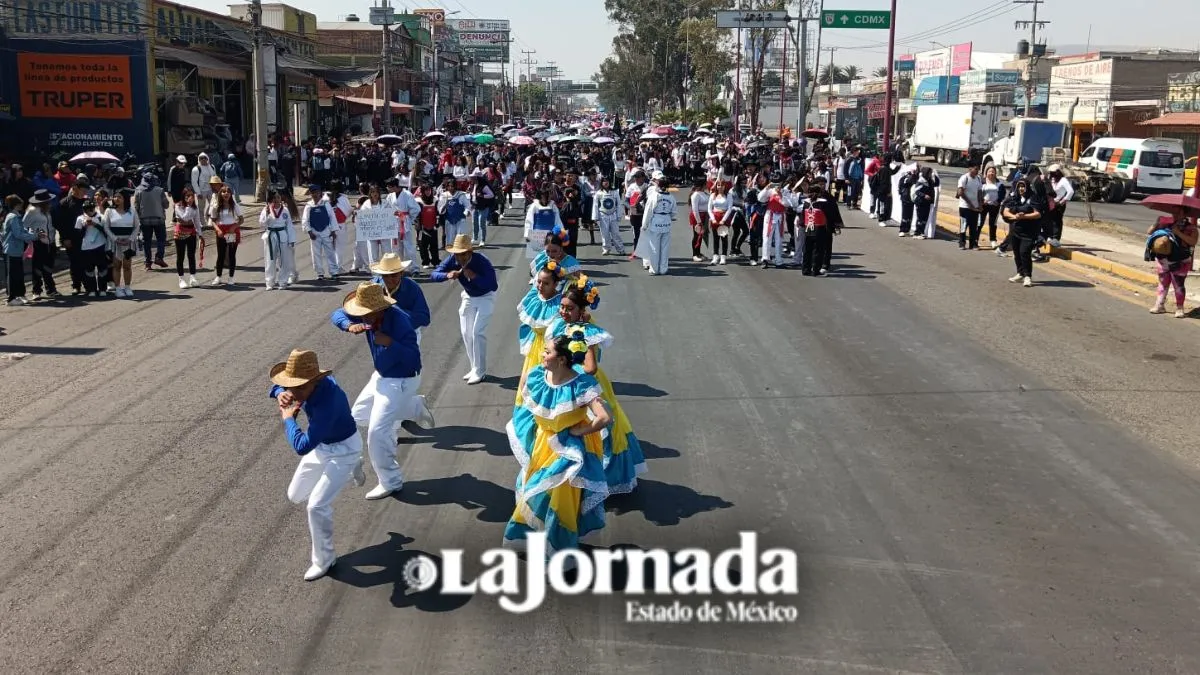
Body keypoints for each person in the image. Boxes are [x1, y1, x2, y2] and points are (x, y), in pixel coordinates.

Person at [504, 331, 612, 558]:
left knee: (560, 503)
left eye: (547, 351)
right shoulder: (538, 376)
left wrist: (581, 430)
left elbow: (604, 418)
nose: (543, 354)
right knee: (538, 494)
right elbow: (527, 397)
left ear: (562, 359)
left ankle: (559, 554)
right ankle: (531, 540)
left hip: (569, 455)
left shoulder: (581, 385)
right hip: (542, 447)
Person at [269, 349, 366, 581]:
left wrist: (288, 418)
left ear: (315, 380)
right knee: (295, 495)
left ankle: (325, 559)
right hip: (323, 447)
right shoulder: (310, 385)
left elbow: (302, 446)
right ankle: (354, 466)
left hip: (344, 449)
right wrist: (278, 392)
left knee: (316, 506)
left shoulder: (327, 404)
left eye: (300, 387)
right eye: (292, 386)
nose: (295, 393)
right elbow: (278, 387)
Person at [331, 283, 434, 500]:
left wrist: (390, 344)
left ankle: (391, 481)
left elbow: (414, 359)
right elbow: (337, 314)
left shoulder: (400, 322)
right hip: (382, 375)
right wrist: (349, 325)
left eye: (366, 315)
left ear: (381, 309)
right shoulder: (368, 315)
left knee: (377, 433)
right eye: (361, 315)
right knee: (357, 416)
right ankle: (413, 407)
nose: (364, 319)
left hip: (402, 379)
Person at [545, 278, 645, 494]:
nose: (563, 311)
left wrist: (569, 363)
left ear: (581, 310)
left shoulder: (586, 332)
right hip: (568, 379)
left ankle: (594, 480)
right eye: (562, 307)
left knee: (594, 434)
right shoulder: (566, 325)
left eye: (569, 308)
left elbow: (590, 367)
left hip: (583, 383)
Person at [430, 234, 498, 384]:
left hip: (486, 296)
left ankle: (481, 371)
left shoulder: (482, 261)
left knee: (477, 332)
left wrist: (474, 277)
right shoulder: (453, 259)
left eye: (463, 254)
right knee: (466, 332)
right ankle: (474, 367)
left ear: (470, 252)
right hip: (468, 296)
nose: (460, 257)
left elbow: (493, 285)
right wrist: (446, 275)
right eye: (457, 254)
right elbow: (433, 274)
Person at [516, 261, 567, 403]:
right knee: (529, 384)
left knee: (548, 385)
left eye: (546, 283)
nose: (540, 286)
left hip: (553, 351)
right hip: (535, 349)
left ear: (555, 284)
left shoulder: (561, 303)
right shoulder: (534, 297)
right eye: (538, 281)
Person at [1145, 207, 1197, 318]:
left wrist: (1178, 232)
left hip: (1180, 261)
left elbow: (1193, 241)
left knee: (1178, 285)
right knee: (1163, 283)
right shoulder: (1166, 223)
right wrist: (1156, 223)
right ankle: (1159, 305)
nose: (1175, 214)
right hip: (1163, 259)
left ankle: (1179, 308)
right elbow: (1149, 232)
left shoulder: (1191, 228)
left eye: (1178, 212)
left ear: (1184, 213)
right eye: (1174, 212)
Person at [368, 253, 430, 343]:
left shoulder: (412, 288)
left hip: (407, 334)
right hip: (381, 335)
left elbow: (424, 318)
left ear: (401, 273)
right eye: (385, 275)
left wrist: (393, 308)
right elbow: (346, 310)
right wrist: (348, 324)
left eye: (393, 275)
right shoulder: (372, 286)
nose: (389, 279)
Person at [1001, 179, 1043, 287]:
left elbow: (1037, 214)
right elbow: (1005, 211)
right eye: (1019, 186)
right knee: (1017, 253)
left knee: (1025, 253)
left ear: (1027, 187)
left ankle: (1027, 276)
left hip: (1029, 232)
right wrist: (1014, 216)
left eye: (1023, 186)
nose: (1021, 188)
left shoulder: (1033, 197)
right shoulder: (1014, 197)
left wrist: (1024, 216)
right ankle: (1020, 273)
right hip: (1016, 231)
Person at [102, 188, 140, 297]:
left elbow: (137, 226)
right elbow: (106, 227)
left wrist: (130, 238)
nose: (116, 199)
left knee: (127, 266)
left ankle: (127, 287)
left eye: (119, 197)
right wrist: (115, 238)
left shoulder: (132, 210)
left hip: (128, 242)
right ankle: (118, 288)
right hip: (115, 242)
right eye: (115, 197)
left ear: (125, 198)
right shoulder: (109, 210)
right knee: (116, 265)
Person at [637, 171, 676, 275]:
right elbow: (674, 213)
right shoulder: (671, 197)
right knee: (665, 247)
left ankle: (654, 269)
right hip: (666, 222)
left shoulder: (654, 196)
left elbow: (648, 211)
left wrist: (644, 225)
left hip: (656, 222)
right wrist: (667, 217)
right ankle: (663, 269)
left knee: (654, 247)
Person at [24, 189, 58, 299]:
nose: (49, 202)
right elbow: (24, 226)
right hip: (38, 242)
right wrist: (35, 234)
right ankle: (36, 291)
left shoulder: (48, 210)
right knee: (37, 267)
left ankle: (51, 289)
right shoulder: (32, 210)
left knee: (48, 266)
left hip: (51, 241)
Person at [208, 181, 243, 286]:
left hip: (231, 231)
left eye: (228, 192)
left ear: (230, 194)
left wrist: (234, 226)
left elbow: (241, 219)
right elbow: (213, 220)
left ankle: (231, 277)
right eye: (223, 192)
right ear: (220, 194)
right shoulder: (216, 206)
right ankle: (218, 276)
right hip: (221, 231)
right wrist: (217, 230)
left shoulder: (234, 205)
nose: (226, 194)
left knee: (232, 255)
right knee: (221, 255)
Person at [301, 184, 340, 280]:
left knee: (330, 253)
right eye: (312, 192)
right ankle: (320, 273)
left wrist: (333, 230)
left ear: (320, 193)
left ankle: (334, 272)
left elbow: (332, 217)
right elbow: (305, 220)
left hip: (326, 231)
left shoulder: (326, 204)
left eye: (316, 192)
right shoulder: (308, 206)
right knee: (316, 254)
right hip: (315, 233)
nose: (315, 194)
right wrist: (309, 232)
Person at [3, 195, 35, 305]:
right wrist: (33, 236)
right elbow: (18, 234)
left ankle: (19, 294)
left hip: (17, 249)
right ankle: (11, 298)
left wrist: (33, 235)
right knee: (12, 275)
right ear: (16, 205)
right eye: (20, 204)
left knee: (19, 274)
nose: (22, 206)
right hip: (11, 249)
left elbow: (24, 231)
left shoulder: (16, 216)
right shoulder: (12, 217)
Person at [133, 172, 170, 271]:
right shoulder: (160, 190)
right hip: (159, 219)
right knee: (161, 239)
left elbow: (136, 207)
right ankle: (159, 257)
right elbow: (166, 205)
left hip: (144, 220)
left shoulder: (138, 190)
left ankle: (148, 263)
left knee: (146, 242)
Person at [261, 189, 297, 290]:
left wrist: (292, 239)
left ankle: (283, 281)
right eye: (274, 198)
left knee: (284, 260)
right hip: (270, 235)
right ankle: (270, 282)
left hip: (282, 235)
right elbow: (262, 224)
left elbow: (289, 225)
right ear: (270, 199)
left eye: (278, 197)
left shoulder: (285, 210)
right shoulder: (266, 209)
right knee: (270, 260)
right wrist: (267, 215)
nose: (276, 200)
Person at [76, 199, 110, 297]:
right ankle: (92, 289)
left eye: (91, 208)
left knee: (102, 268)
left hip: (100, 245)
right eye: (86, 209)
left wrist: (95, 225)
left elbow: (106, 232)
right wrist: (85, 226)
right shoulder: (80, 219)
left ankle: (103, 289)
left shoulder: (101, 217)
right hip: (86, 248)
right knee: (89, 270)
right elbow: (78, 236)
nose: (89, 211)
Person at [591, 176, 624, 255]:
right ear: (601, 183)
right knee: (604, 233)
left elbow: (619, 204)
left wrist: (619, 215)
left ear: (610, 182)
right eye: (604, 181)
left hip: (613, 214)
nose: (606, 183)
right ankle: (606, 248)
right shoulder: (598, 193)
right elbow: (595, 205)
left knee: (615, 233)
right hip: (603, 215)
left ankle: (620, 249)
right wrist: (595, 217)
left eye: (607, 181)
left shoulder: (615, 192)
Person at [957, 164, 984, 250]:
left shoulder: (978, 178)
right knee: (963, 226)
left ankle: (973, 244)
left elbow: (979, 191)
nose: (977, 171)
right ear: (970, 168)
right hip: (965, 207)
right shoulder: (964, 178)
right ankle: (962, 243)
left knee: (974, 226)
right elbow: (960, 193)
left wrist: (980, 204)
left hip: (975, 207)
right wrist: (970, 204)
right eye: (975, 169)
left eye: (978, 169)